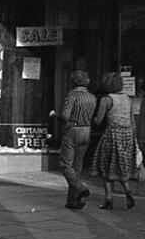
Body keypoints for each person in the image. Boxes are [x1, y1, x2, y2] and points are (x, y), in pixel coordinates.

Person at [90, 72, 137, 210]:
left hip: (112, 134)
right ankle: (128, 191)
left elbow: (98, 121)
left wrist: (90, 118)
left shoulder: (106, 99)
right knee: (121, 166)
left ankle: (109, 198)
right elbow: (132, 121)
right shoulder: (128, 99)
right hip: (127, 135)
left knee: (106, 165)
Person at [56, 70, 96, 210]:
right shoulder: (92, 97)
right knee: (77, 166)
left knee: (65, 165)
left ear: (74, 81)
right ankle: (73, 201)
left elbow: (66, 116)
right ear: (87, 81)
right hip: (87, 130)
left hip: (73, 130)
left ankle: (80, 188)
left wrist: (56, 114)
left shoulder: (72, 95)